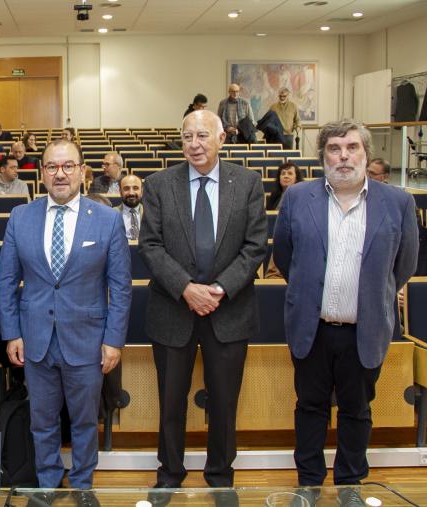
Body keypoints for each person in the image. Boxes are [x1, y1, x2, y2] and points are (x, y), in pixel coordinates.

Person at [272, 119, 418, 503]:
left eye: (352, 147)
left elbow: (403, 266)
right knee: (309, 407)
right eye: (334, 149)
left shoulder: (398, 202)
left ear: (365, 153)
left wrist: (372, 295)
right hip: (313, 326)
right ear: (323, 156)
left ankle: (350, 485)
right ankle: (308, 483)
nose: (343, 156)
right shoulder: (298, 198)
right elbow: (285, 258)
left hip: (364, 328)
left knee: (357, 409)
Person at [139, 110, 267, 489]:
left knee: (225, 404)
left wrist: (219, 289)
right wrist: (186, 288)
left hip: (229, 310)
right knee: (171, 402)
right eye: (187, 136)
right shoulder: (160, 184)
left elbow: (255, 246)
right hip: (173, 309)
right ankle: (170, 473)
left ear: (221, 139)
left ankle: (221, 475)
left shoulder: (247, 183)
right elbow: (150, 245)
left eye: (202, 136)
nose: (194, 144)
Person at [0, 139, 131, 500]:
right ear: (42, 173)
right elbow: (8, 282)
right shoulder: (20, 218)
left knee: (86, 420)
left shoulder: (107, 219)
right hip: (35, 338)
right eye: (52, 167)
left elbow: (120, 287)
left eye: (68, 166)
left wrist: (113, 340)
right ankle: (48, 483)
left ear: (82, 171)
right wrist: (11, 334)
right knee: (42, 420)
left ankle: (84, 484)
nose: (60, 174)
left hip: (88, 340)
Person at [115, 175, 143, 241]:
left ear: (141, 191)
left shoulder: (151, 213)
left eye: (135, 188)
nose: (131, 193)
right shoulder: (111, 214)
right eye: (126, 189)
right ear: (120, 192)